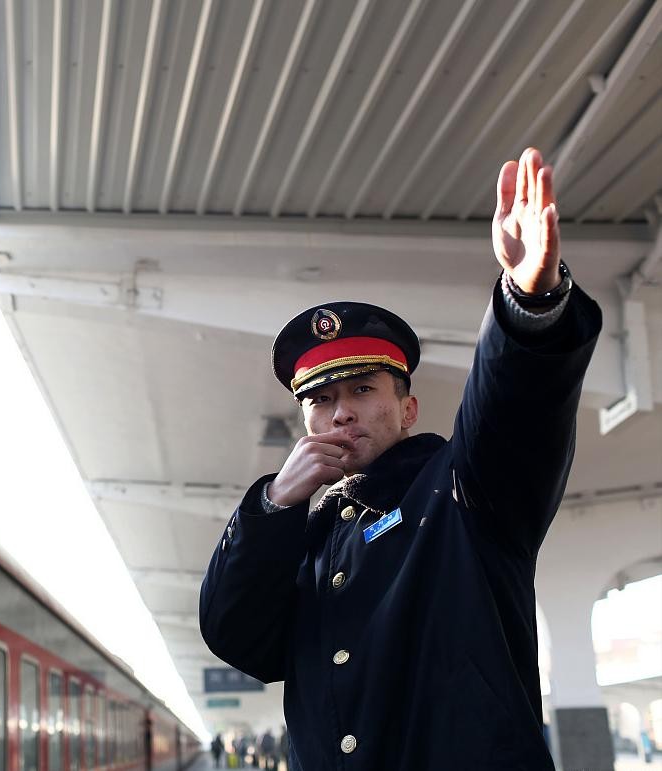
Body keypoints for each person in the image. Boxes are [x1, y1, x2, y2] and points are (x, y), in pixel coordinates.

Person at [199, 147, 601, 771]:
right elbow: (239, 637)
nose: (341, 413)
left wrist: (529, 303)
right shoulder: (311, 540)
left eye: (363, 390)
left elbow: (513, 411)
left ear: (408, 409)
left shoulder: (464, 489)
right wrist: (272, 507)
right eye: (321, 400)